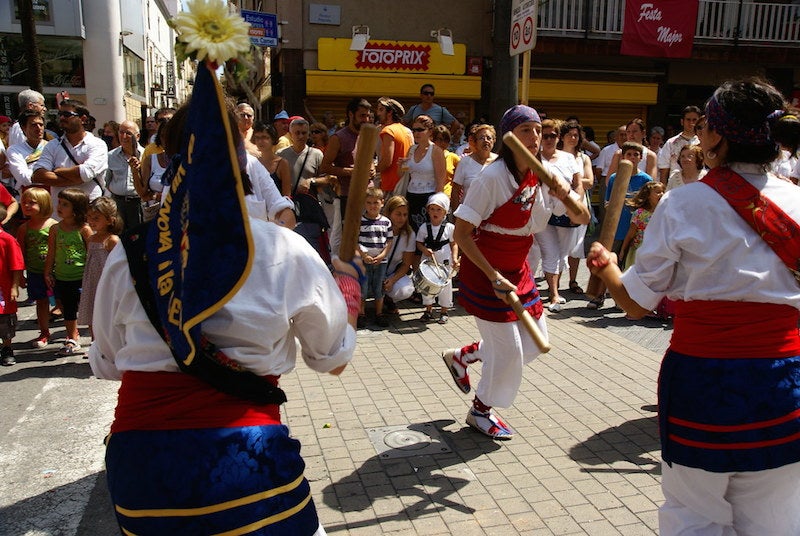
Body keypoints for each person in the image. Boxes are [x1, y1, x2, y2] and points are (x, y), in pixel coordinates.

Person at [89, 54, 362, 534]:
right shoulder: (284, 249)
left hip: (141, 472)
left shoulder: (129, 253)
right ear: (244, 164)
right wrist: (349, 292)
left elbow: (109, 363)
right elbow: (331, 359)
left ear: (171, 165)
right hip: (244, 459)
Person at [586, 77, 800, 536]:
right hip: (785, 380)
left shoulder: (683, 203)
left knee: (693, 516)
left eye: (704, 126)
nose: (699, 135)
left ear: (718, 136)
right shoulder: (798, 201)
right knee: (778, 519)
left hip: (705, 381)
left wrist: (606, 269)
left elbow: (636, 305)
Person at [441, 105, 589, 439]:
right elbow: (462, 233)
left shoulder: (547, 175)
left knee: (535, 344)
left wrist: (564, 193)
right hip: (486, 269)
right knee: (508, 352)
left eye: (539, 130)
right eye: (526, 130)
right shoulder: (491, 178)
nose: (535, 138)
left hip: (518, 267)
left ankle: (464, 356)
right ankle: (481, 411)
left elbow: (581, 218)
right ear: (510, 138)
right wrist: (492, 275)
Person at [587, 141, 652, 309]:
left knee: (627, 266)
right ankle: (598, 296)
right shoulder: (615, 177)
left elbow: (648, 204)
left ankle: (621, 299)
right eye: (628, 154)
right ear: (623, 156)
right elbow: (608, 202)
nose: (632, 157)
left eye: (635, 155)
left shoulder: (646, 180)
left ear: (641, 157)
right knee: (607, 259)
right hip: (617, 227)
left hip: (634, 230)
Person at [534, 119, 582, 312]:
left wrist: (574, 207)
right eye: (544, 135)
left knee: (562, 255)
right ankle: (553, 293)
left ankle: (556, 289)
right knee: (550, 252)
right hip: (542, 213)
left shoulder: (569, 158)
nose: (548, 139)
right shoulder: (534, 158)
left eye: (552, 135)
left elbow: (578, 184)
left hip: (566, 213)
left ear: (558, 137)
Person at [32, 101, 108, 217]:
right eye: (60, 114)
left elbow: (85, 173)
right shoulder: (52, 145)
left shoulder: (97, 145)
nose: (62, 118)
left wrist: (57, 171)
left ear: (82, 119)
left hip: (89, 214)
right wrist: (76, 179)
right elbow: (38, 175)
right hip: (60, 217)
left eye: (67, 114)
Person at [44, 188, 91, 356]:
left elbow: (91, 253)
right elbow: (51, 253)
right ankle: (72, 337)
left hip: (82, 277)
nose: (60, 207)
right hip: (63, 277)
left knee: (89, 309)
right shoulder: (55, 229)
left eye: (65, 204)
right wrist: (48, 272)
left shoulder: (84, 229)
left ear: (76, 209)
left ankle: (96, 341)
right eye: (59, 203)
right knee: (68, 308)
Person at [16, 188, 57, 349]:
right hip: (35, 272)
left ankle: (70, 332)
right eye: (24, 202)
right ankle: (44, 331)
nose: (26, 205)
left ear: (44, 204)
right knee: (41, 302)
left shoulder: (54, 226)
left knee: (63, 301)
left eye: (31, 203)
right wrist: (20, 275)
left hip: (56, 272)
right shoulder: (24, 229)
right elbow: (20, 253)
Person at [559, 119, 595, 295]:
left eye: (576, 135)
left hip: (578, 205)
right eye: (569, 134)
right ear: (562, 137)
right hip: (558, 204)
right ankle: (554, 284)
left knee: (576, 245)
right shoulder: (555, 155)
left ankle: (572, 281)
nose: (573, 138)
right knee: (557, 246)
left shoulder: (584, 158)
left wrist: (574, 181)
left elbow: (589, 182)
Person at [77, 197, 121, 340]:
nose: (91, 221)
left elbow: (119, 264)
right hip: (92, 282)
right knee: (92, 312)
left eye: (96, 218)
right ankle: (95, 343)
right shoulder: (91, 239)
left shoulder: (112, 240)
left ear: (109, 220)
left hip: (107, 282)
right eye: (89, 217)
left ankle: (110, 343)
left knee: (108, 313)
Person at [416, 192, 458, 324]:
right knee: (427, 287)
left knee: (445, 286)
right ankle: (428, 310)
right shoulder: (424, 227)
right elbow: (419, 243)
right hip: (429, 262)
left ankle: (444, 311)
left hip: (444, 261)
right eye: (432, 209)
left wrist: (455, 258)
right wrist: (424, 250)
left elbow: (454, 244)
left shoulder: (450, 228)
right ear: (428, 210)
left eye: (439, 209)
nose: (435, 212)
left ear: (445, 211)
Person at [357, 187, 393, 328]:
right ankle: (361, 313)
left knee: (379, 287)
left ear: (382, 203)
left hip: (381, 260)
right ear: (364, 204)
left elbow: (389, 241)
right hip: (364, 260)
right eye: (369, 202)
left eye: (376, 203)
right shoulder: (360, 221)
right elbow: (355, 240)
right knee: (363, 287)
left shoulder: (386, 222)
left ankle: (379, 313)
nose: (372, 206)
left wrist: (383, 255)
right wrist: (363, 255)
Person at [404, 114, 446, 232]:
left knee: (427, 233)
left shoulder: (436, 151)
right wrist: (402, 165)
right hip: (411, 196)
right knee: (411, 232)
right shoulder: (411, 149)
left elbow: (440, 181)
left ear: (430, 131)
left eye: (420, 130)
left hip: (429, 197)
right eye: (414, 130)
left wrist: (437, 206)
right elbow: (403, 174)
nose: (416, 133)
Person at [450, 124, 497, 213]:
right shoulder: (464, 162)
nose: (486, 141)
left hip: (493, 215)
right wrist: (456, 216)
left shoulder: (499, 162)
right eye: (482, 138)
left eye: (489, 138)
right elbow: (455, 191)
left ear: (494, 141)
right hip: (469, 214)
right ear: (475, 142)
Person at [105, 120, 143, 229]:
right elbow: (107, 181)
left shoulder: (146, 155)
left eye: (128, 133)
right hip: (118, 203)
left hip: (138, 203)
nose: (124, 136)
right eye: (121, 132)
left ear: (138, 136)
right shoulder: (111, 156)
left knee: (137, 237)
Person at [381, 195, 416, 314]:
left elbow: (406, 264)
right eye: (398, 214)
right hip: (374, 270)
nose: (402, 218)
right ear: (389, 213)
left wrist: (392, 279)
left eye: (405, 214)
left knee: (406, 290)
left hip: (391, 272)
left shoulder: (409, 234)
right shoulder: (379, 228)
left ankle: (389, 299)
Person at [618, 181, 665, 268]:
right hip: (640, 250)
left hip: (658, 250)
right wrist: (623, 250)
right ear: (648, 196)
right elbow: (630, 234)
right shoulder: (639, 213)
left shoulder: (665, 212)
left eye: (662, 192)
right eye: (658, 192)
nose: (661, 194)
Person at [0, 204, 24, 366]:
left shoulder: (7, 240)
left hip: (3, 289)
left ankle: (7, 348)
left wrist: (14, 286)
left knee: (5, 322)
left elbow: (16, 265)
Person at [375, 97, 412, 196]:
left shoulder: (388, 131)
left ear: (390, 112)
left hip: (389, 187)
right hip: (405, 186)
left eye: (381, 109)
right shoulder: (408, 131)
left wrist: (372, 171)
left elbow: (387, 162)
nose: (378, 113)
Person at [6, 110, 49, 192]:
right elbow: (23, 177)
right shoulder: (15, 150)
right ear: (23, 128)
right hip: (28, 195)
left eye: (41, 124)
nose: (38, 128)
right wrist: (51, 174)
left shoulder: (52, 147)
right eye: (34, 125)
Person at [657, 105, 702, 183]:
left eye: (694, 120)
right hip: (675, 185)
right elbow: (664, 170)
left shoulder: (703, 142)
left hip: (698, 185)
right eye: (688, 120)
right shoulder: (671, 143)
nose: (691, 123)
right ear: (682, 121)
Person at [431, 125, 460, 198]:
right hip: (429, 195)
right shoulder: (426, 157)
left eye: (446, 140)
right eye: (440, 139)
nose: (443, 143)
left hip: (447, 197)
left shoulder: (454, 158)